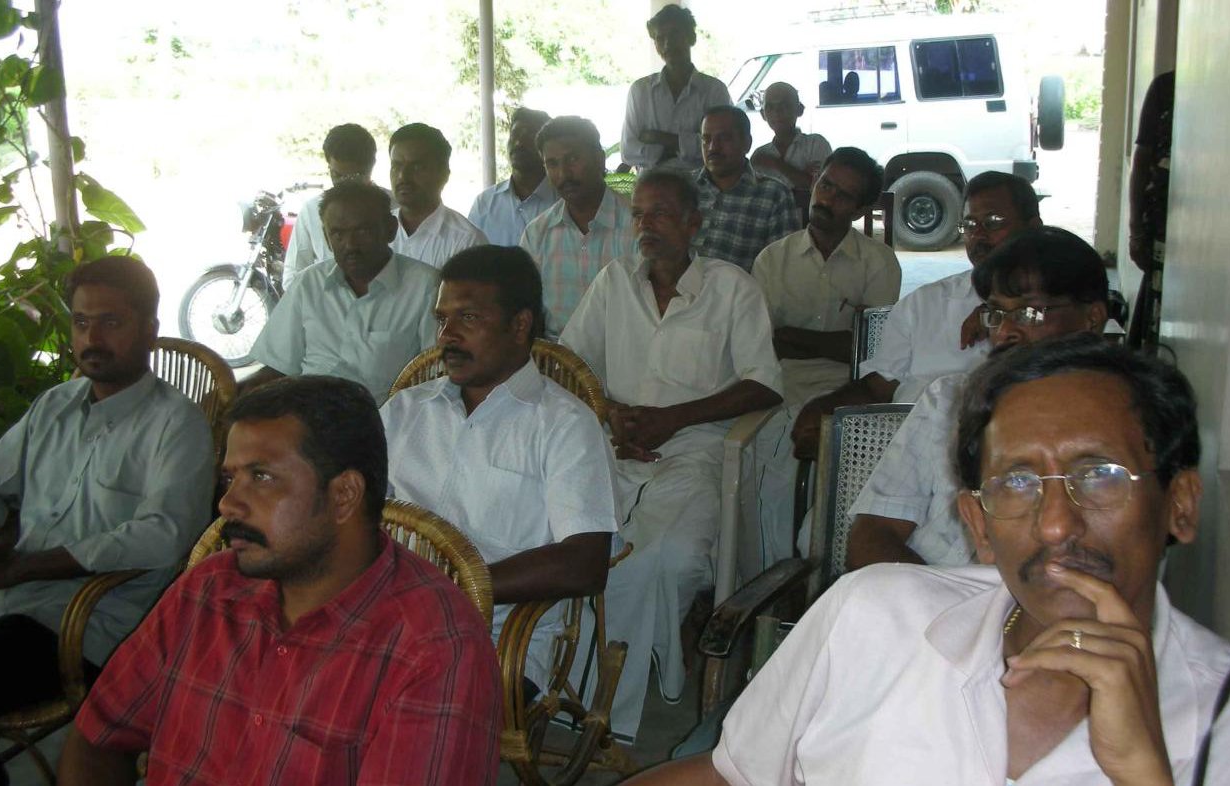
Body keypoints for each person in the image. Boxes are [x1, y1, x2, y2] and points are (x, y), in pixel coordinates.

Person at [628, 334, 1230, 785]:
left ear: (1180, 505)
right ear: (978, 525)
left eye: (1100, 476)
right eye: (1017, 483)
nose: (1055, 523)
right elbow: (729, 775)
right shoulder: (877, 617)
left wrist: (1142, 771)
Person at [59, 375, 503, 786]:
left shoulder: (433, 648)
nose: (227, 504)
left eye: (262, 477)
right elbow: (99, 737)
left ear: (344, 495)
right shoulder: (209, 589)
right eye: (230, 478)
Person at [0, 256, 216, 786]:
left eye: (111, 322)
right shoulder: (55, 406)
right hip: (1, 604)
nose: (91, 338)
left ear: (150, 330)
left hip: (84, 627)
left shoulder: (176, 424)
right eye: (81, 322)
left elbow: (163, 535)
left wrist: (25, 567)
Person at [561, 169, 783, 740]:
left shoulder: (732, 288)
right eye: (638, 214)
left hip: (697, 447)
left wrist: (674, 418)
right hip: (615, 444)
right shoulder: (614, 281)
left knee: (669, 558)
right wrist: (612, 413)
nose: (645, 225)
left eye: (660, 214)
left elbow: (764, 384)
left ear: (693, 223)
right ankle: (576, 682)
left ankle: (625, 690)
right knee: (581, 545)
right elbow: (571, 364)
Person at [380, 245, 617, 693]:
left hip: (496, 639)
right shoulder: (405, 410)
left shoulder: (564, 425)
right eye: (442, 319)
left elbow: (585, 563)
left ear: (520, 325)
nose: (446, 336)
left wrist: (450, 589)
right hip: (389, 623)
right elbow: (349, 513)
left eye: (468, 318)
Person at [846, 226, 1111, 570]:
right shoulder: (947, 401)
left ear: (1092, 319)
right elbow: (871, 534)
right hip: (919, 592)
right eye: (996, 315)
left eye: (1029, 314)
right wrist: (946, 601)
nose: (1005, 332)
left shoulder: (1118, 428)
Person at [791, 170, 1042, 459]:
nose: (979, 235)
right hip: (909, 456)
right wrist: (824, 409)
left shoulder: (1057, 312)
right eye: (970, 224)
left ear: (1033, 228)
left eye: (993, 222)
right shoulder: (924, 303)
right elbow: (878, 387)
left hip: (1005, 454)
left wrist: (1003, 315)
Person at [747, 148, 901, 567]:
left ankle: (817, 572)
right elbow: (763, 345)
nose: (827, 199)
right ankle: (773, 575)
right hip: (780, 387)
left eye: (843, 195)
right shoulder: (773, 259)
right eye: (825, 185)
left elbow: (872, 353)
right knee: (766, 477)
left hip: (849, 391)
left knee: (837, 485)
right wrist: (838, 341)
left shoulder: (878, 262)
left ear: (861, 209)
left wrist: (793, 336)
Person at [245, 180, 438, 404]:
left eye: (363, 231)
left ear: (390, 229)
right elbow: (277, 367)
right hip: (309, 417)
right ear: (327, 238)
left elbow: (436, 379)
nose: (350, 245)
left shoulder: (426, 287)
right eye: (337, 234)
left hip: (385, 422)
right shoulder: (309, 284)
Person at [520, 116, 634, 336]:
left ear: (600, 159)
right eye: (552, 164)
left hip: (624, 352)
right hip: (555, 355)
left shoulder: (636, 226)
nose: (563, 174)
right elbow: (527, 310)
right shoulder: (537, 234)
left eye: (573, 159)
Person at [620, 4, 730, 174]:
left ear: (691, 38)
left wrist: (658, 138)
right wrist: (688, 144)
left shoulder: (714, 90)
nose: (668, 44)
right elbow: (628, 151)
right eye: (660, 38)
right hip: (651, 185)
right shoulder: (640, 90)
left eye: (675, 35)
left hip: (699, 185)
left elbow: (722, 147)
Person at [692, 105, 799, 272]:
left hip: (737, 288)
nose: (712, 147)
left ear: (747, 143)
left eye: (724, 138)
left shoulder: (774, 195)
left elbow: (781, 270)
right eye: (706, 139)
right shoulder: (682, 187)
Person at [282, 123, 383, 289]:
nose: (344, 185)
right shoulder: (312, 211)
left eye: (354, 177)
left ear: (371, 166)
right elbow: (293, 275)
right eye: (337, 175)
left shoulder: (395, 208)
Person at [388, 123, 488, 268]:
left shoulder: (467, 241)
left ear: (444, 174)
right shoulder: (375, 231)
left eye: (417, 167)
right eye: (396, 166)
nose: (402, 176)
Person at [1127, 70, 1174, 351]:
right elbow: (1141, 161)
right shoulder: (1166, 87)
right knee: (1155, 313)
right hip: (1160, 228)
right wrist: (1136, 230)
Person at [467, 107, 557, 246]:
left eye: (529, 136)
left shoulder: (564, 202)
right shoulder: (485, 203)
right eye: (514, 135)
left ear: (547, 147)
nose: (519, 143)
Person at [749, 82, 833, 202]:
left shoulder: (816, 143)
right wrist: (801, 178)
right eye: (770, 107)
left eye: (785, 105)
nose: (777, 112)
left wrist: (774, 163)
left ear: (800, 109)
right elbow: (756, 196)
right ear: (763, 114)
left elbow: (821, 188)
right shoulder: (759, 154)